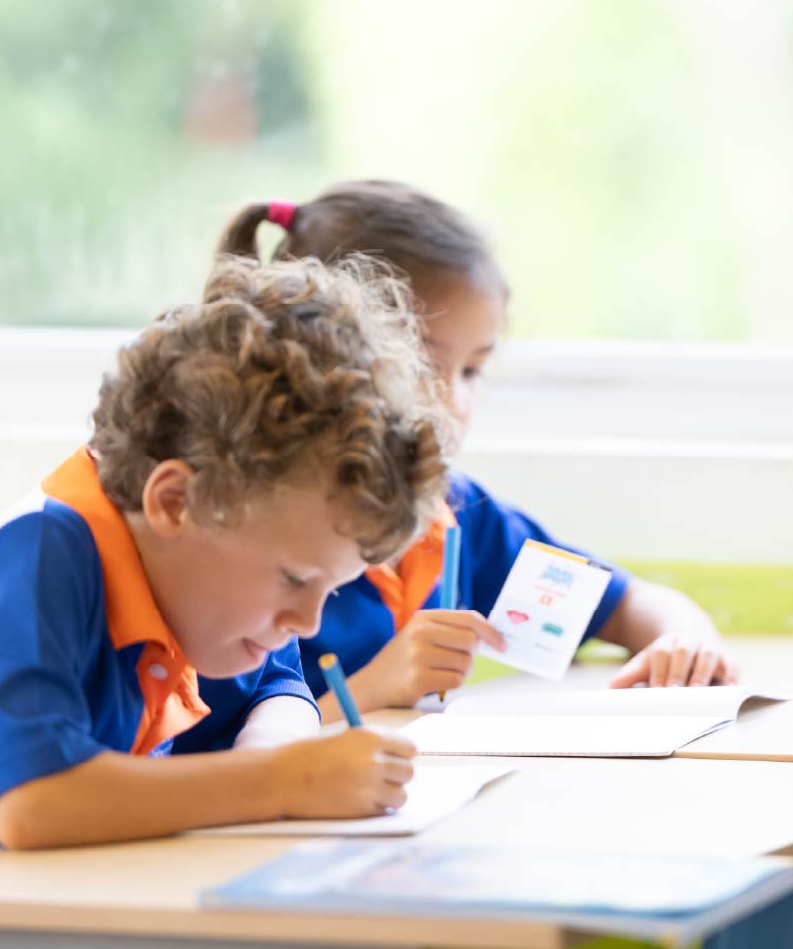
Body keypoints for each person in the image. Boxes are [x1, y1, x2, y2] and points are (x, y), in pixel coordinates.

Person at [0, 257, 447, 949]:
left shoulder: (199, 588)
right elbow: (33, 801)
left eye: (329, 590)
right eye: (296, 578)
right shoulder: (44, 553)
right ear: (176, 502)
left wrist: (281, 750)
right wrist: (285, 783)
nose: (309, 620)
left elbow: (279, 685)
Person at [218, 182, 738, 717]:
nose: (453, 399)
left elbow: (628, 604)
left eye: (472, 370)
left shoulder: (458, 518)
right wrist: (375, 688)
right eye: (419, 363)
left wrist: (683, 641)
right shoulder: (259, 545)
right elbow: (218, 763)